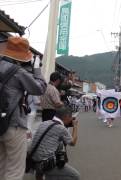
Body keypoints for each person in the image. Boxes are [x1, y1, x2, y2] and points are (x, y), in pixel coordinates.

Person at [0, 36, 47, 180]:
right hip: (13, 124)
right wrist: (37, 69)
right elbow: (40, 88)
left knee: (1, 167)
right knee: (14, 170)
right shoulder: (18, 72)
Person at [30, 106, 80, 180]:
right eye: (70, 117)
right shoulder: (60, 128)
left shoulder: (44, 123)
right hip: (46, 164)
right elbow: (73, 143)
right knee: (75, 176)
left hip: (34, 161)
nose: (70, 120)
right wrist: (75, 126)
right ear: (66, 116)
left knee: (58, 146)